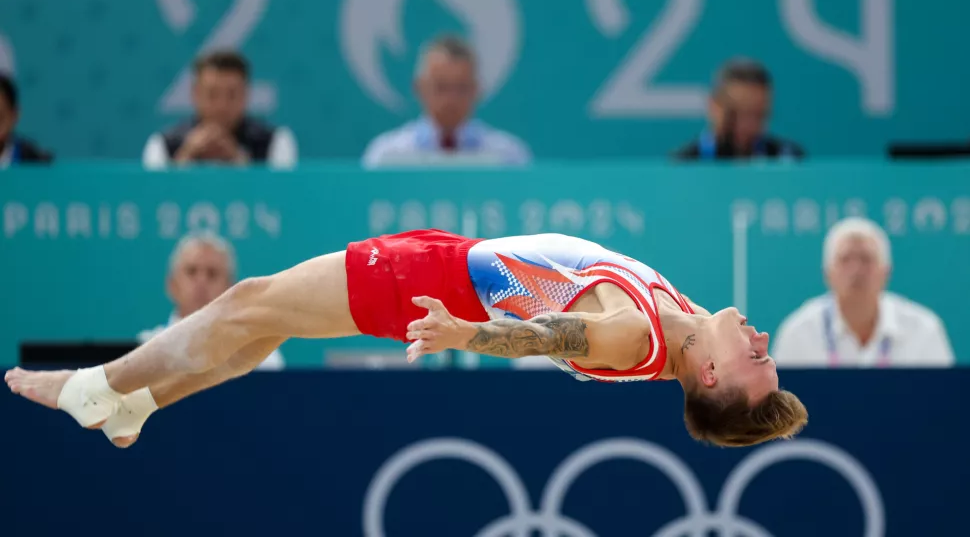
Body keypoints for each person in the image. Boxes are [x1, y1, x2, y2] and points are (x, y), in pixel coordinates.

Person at [5, 230, 807, 449]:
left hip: (429, 281)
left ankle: (96, 386)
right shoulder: (687, 324)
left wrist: (467, 333)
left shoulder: (635, 335)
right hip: (446, 266)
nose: (762, 335)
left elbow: (552, 335)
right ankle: (138, 404)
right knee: (263, 323)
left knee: (248, 303)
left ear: (708, 373)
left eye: (758, 354)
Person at [771, 217, 954, 367]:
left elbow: (944, 396)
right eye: (845, 260)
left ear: (886, 271)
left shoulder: (923, 330)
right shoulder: (798, 333)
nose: (856, 270)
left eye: (866, 259)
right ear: (827, 273)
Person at [362, 35, 531, 167]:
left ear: (476, 90)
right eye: (441, 87)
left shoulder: (509, 157)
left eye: (461, 88)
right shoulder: (386, 156)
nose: (451, 99)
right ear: (419, 88)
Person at [137, 232, 284, 371]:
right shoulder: (142, 352)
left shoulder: (261, 358)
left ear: (231, 289)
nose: (201, 281)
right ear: (172, 284)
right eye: (191, 271)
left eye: (212, 274)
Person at [142, 50, 297, 169]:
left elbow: (282, 195)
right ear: (195, 94)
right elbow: (154, 195)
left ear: (246, 95)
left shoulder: (276, 142)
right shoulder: (162, 145)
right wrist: (185, 158)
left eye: (232, 95)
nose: (221, 105)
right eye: (212, 94)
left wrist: (240, 162)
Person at [672, 58, 804, 162]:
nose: (747, 125)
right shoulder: (684, 164)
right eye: (734, 114)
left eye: (758, 115)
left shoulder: (788, 160)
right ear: (713, 105)